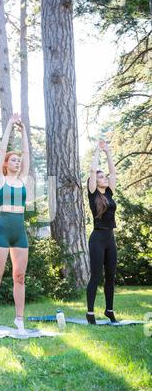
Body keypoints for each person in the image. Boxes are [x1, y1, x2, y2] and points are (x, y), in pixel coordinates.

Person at [0, 113, 30, 336]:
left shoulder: (22, 180)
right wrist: (11, 124)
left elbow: (27, 153)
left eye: (18, 161)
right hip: (1, 231)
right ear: (6, 164)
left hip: (19, 232)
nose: (17, 162)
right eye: (13, 160)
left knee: (19, 277)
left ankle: (19, 320)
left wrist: (23, 132)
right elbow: (2, 151)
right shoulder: (0, 179)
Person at [86, 139, 118, 325]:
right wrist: (98, 152)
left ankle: (109, 310)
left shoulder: (110, 193)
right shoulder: (93, 193)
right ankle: (90, 313)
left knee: (111, 276)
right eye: (101, 177)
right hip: (97, 238)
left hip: (110, 238)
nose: (104, 178)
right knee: (96, 276)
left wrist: (108, 153)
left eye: (104, 177)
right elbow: (92, 171)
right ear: (94, 182)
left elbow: (113, 172)